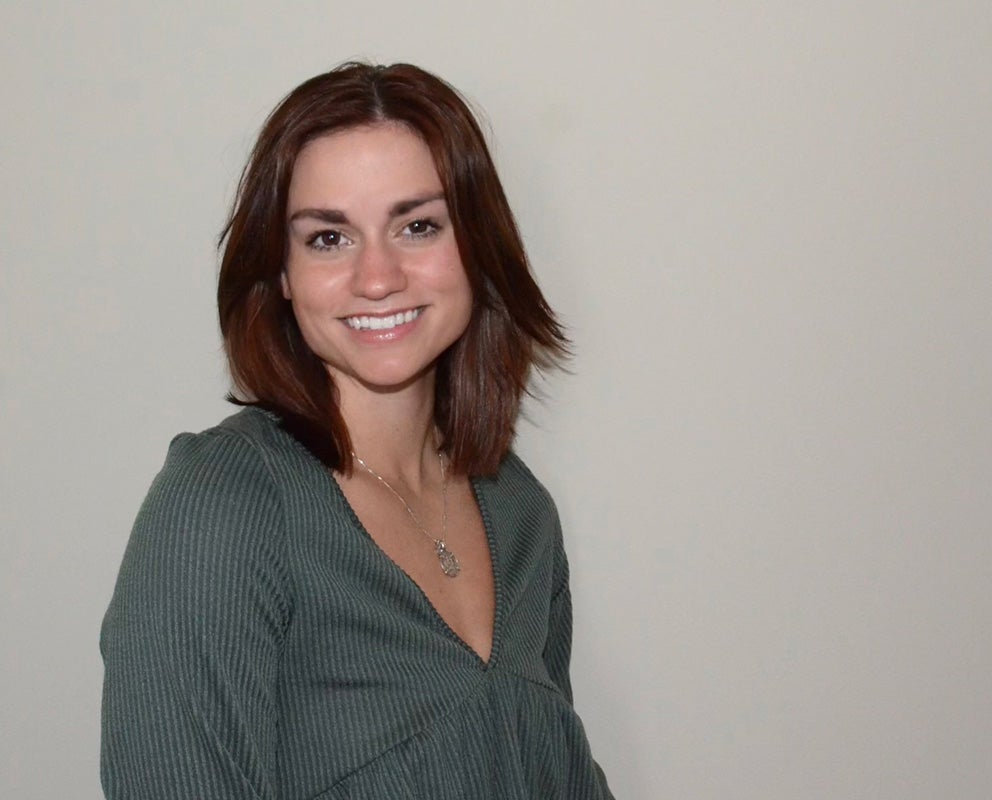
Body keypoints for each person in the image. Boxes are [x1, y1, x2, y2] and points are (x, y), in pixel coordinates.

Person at [100, 62, 613, 799]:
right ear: (280, 271)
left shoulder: (521, 510)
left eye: (418, 226)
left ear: (477, 247)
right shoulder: (225, 506)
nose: (378, 276)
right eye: (328, 238)